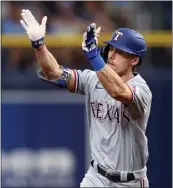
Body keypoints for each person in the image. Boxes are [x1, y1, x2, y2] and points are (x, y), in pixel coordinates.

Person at [20, 9, 152, 188]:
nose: (112, 55)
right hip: (96, 177)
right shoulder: (93, 79)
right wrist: (39, 45)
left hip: (130, 181)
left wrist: (93, 56)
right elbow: (53, 72)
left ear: (134, 60)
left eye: (120, 52)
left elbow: (118, 92)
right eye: (111, 48)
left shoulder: (142, 90)